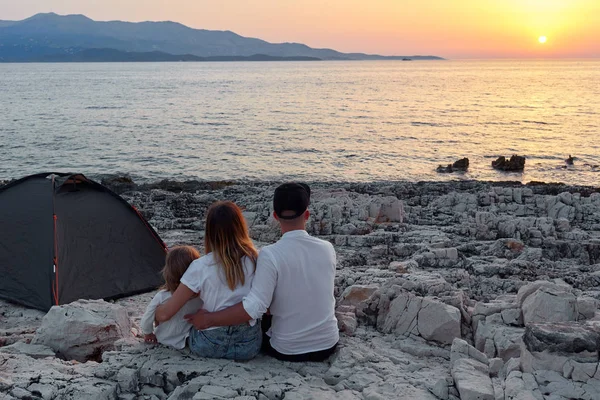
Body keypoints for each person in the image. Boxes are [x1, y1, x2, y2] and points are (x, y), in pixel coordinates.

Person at [185, 183, 339, 362]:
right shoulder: (328, 248)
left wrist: (209, 320)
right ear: (307, 215)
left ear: (275, 216)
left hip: (288, 349)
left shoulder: (271, 254)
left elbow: (254, 307)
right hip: (328, 343)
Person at [155, 201, 261, 360]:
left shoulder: (200, 266)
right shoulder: (255, 260)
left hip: (208, 343)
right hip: (248, 345)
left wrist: (155, 313)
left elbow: (167, 313)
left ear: (209, 232)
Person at [140, 246, 203, 349]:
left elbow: (147, 318)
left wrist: (148, 333)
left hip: (164, 338)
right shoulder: (200, 295)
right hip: (187, 338)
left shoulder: (162, 296)